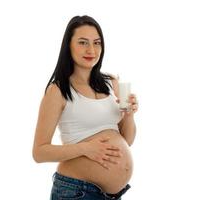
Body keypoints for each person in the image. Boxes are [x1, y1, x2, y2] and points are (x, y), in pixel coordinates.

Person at [32, 15, 138, 200]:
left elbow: (127, 140)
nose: (91, 50)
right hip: (76, 191)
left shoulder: (111, 82)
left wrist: (129, 115)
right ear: (68, 46)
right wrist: (86, 149)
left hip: (112, 195)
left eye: (97, 43)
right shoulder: (58, 90)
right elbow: (39, 152)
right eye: (83, 42)